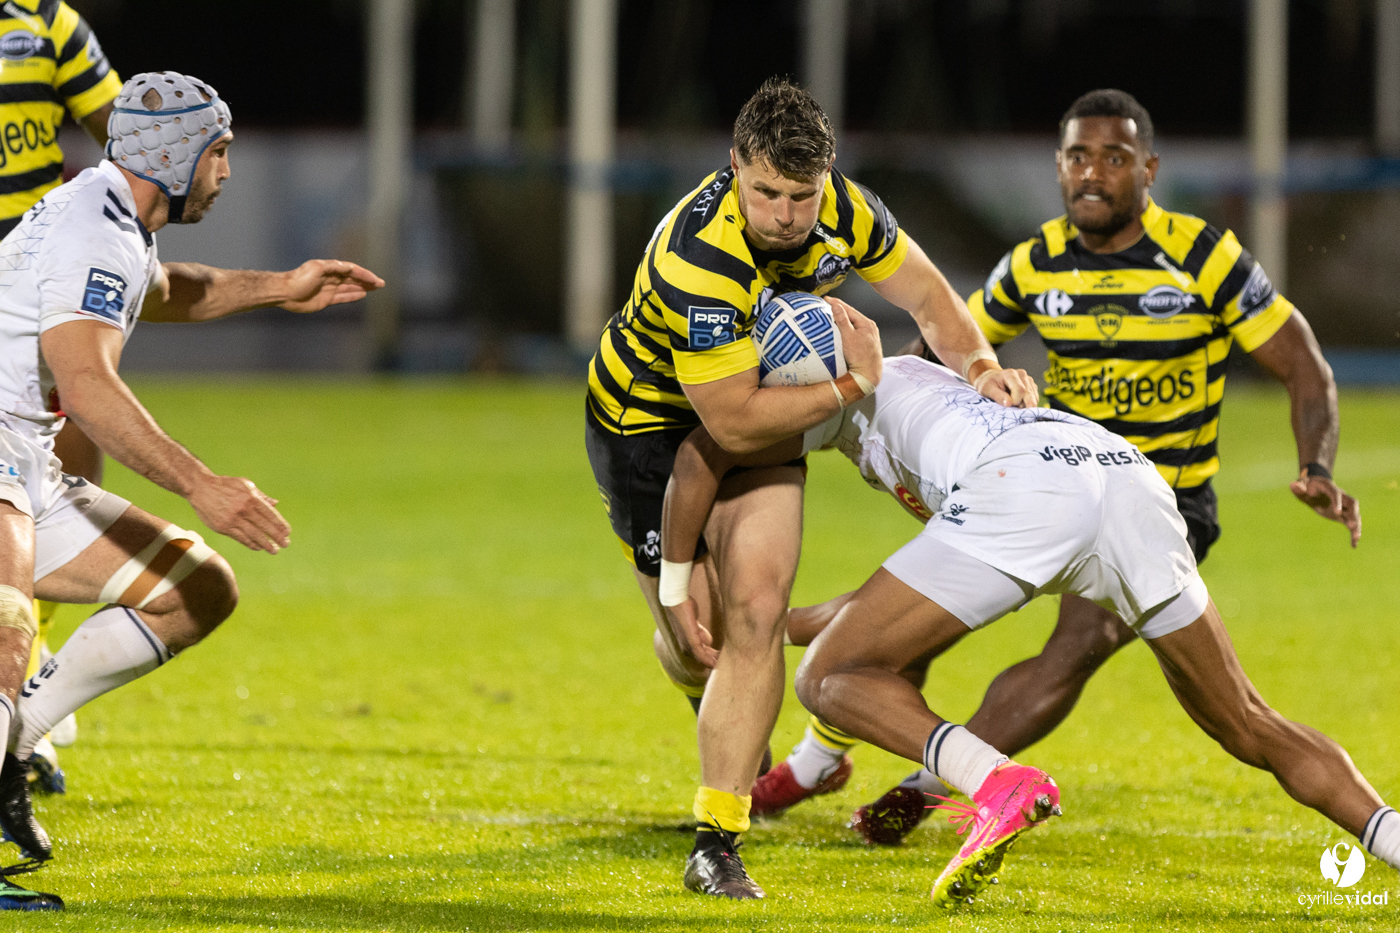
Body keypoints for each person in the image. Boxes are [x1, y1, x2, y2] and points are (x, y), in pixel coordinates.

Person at [758, 88, 1364, 846]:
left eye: (1114, 158)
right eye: (1078, 156)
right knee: (1239, 715)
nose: (1093, 173)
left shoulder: (1204, 255)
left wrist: (1318, 463)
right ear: (1058, 166)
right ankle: (822, 761)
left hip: (1147, 491)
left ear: (1148, 169)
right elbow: (950, 343)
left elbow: (1304, 362)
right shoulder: (1033, 263)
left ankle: (934, 783)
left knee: (1056, 645)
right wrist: (970, 386)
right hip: (1069, 475)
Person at [663, 352, 1399, 908]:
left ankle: (996, 782)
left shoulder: (834, 401)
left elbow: (709, 448)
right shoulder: (908, 388)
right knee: (1246, 718)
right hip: (1122, 475)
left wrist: (690, 593)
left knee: (826, 677)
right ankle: (1391, 836)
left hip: (1031, 488)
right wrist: (768, 627)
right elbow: (898, 601)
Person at [583, 76, 1036, 900]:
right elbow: (725, 422)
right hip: (646, 428)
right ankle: (711, 698)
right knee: (695, 640)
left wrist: (980, 365)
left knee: (757, 608)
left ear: (826, 178)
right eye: (766, 193)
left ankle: (716, 840)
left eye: (803, 194)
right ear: (733, 169)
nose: (787, 215)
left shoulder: (845, 211)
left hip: (766, 411)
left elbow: (929, 294)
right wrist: (850, 388)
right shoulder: (701, 258)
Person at [0, 71, 382, 910]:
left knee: (195, 589)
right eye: (219, 152)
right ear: (175, 155)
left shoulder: (113, 216)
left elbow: (169, 292)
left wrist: (282, 285)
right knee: (6, 631)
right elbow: (88, 386)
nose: (227, 171)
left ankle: (11, 753)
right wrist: (202, 484)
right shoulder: (91, 232)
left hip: (24, 459)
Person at [0, 0, 129, 790]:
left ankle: (28, 696)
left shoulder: (45, 21)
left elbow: (127, 132)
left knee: (56, 474)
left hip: (31, 286)